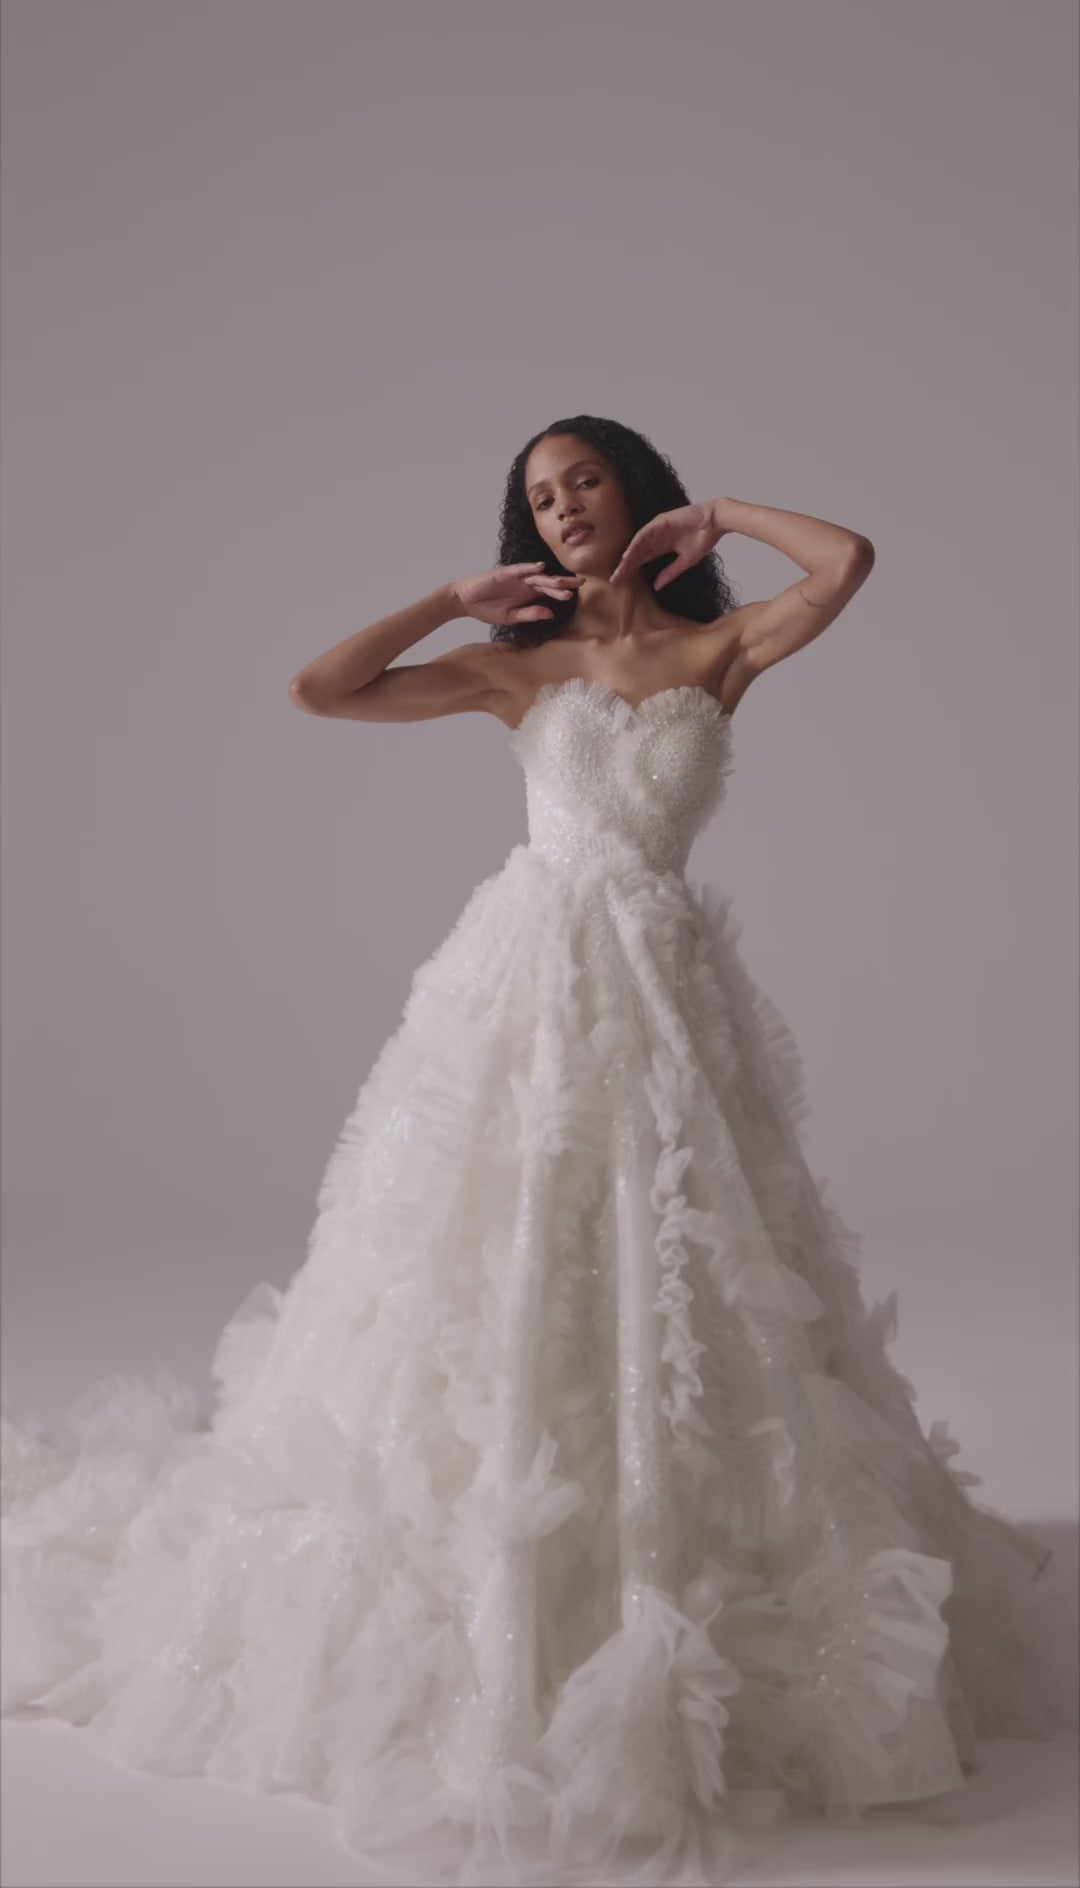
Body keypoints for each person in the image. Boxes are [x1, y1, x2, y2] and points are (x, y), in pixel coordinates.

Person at [1, 415, 1066, 1888]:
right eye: (543, 498)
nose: (566, 509)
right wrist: (454, 600)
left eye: (588, 484)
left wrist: (729, 515)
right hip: (534, 991)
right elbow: (322, 690)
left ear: (635, 493)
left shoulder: (719, 653)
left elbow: (852, 563)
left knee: (698, 1278)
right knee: (502, 1269)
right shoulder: (520, 671)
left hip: (674, 1004)